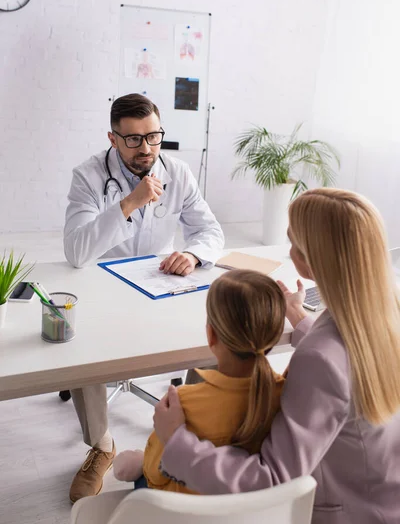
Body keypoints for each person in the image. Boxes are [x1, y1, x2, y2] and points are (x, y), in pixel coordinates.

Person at [154, 188, 400, 523]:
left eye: (294, 243)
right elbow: (351, 355)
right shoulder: (387, 311)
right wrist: (302, 321)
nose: (289, 251)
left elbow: (270, 480)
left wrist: (177, 441)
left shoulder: (321, 360)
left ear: (312, 260)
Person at [64, 93, 224, 503]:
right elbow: (77, 251)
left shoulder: (179, 172)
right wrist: (129, 202)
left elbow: (211, 232)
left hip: (158, 283)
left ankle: (187, 436)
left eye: (153, 136)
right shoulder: (88, 176)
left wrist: (191, 253)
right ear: (113, 139)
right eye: (133, 140)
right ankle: (101, 446)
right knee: (81, 342)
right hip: (103, 284)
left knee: (214, 331)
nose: (146, 149)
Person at [113, 270, 286, 493]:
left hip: (180, 508)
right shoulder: (286, 394)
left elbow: (156, 474)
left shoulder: (181, 403)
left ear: (211, 335)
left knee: (141, 472)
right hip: (243, 509)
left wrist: (144, 464)